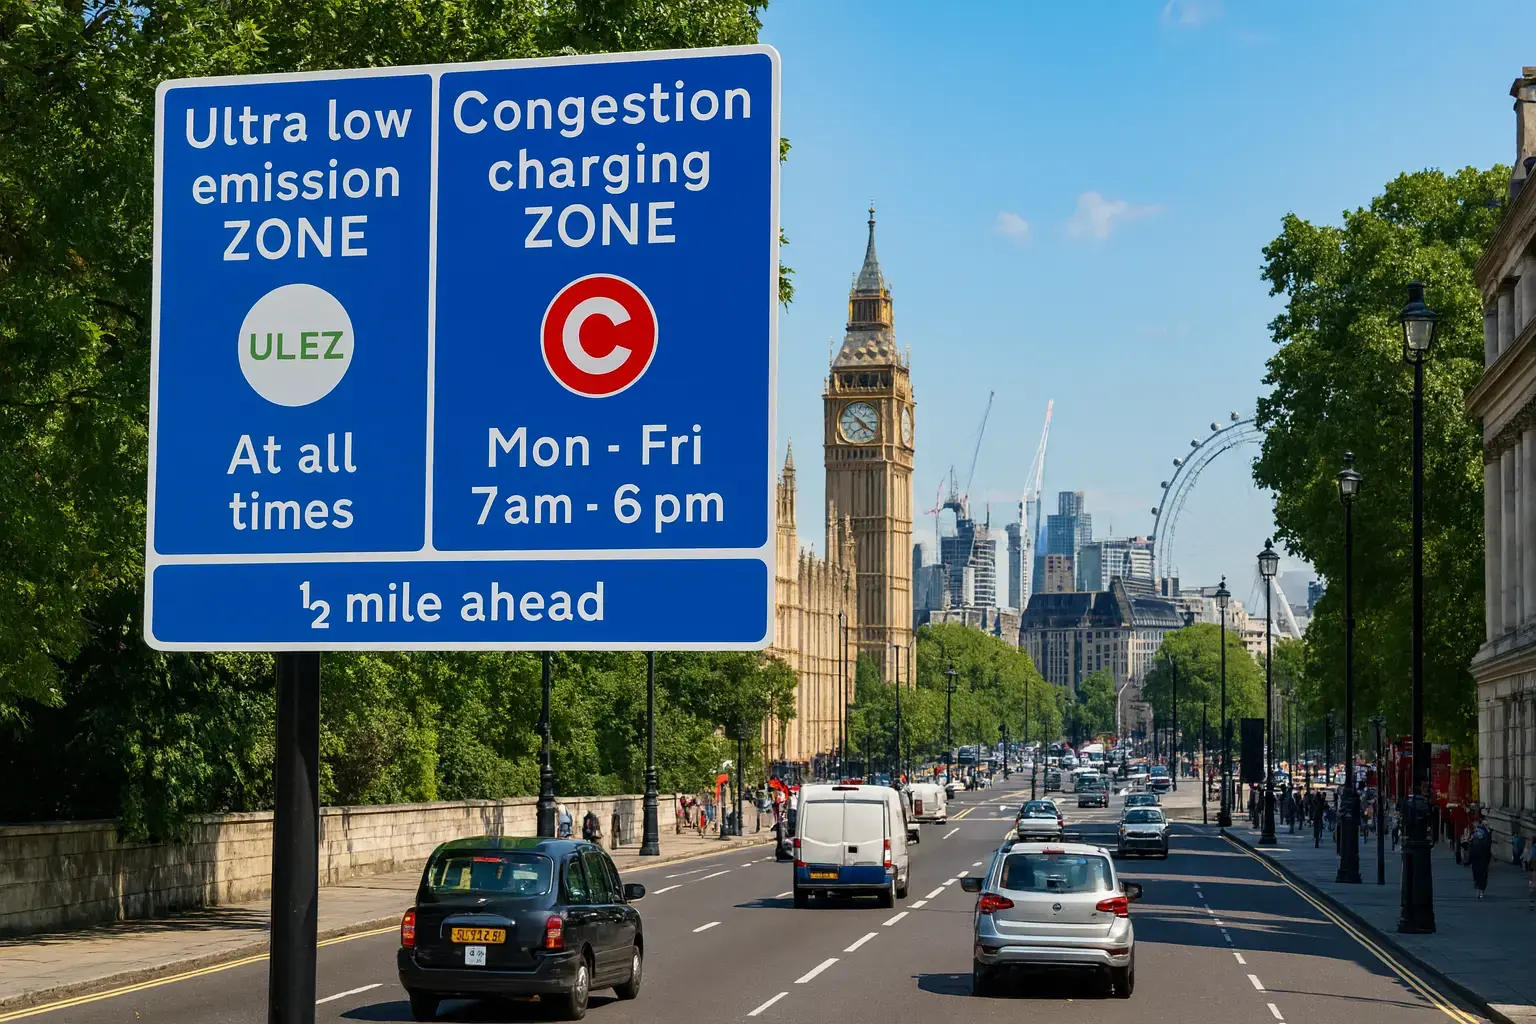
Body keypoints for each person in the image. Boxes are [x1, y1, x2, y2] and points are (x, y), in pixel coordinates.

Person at [1468, 815, 1494, 899]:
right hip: (1482, 861)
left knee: (1478, 876)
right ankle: (1480, 890)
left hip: (1478, 861)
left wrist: (1469, 860)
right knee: (1482, 876)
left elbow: (1471, 851)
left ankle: (1479, 890)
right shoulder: (1484, 840)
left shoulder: (1475, 841)